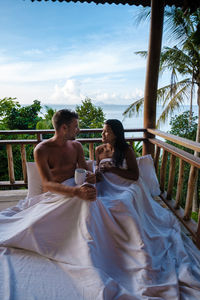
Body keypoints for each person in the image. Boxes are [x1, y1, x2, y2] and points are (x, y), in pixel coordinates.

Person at [34, 109, 96, 201]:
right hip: (55, 195)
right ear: (64, 128)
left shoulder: (76, 146)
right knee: (84, 202)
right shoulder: (42, 150)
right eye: (75, 127)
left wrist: (91, 176)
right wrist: (76, 192)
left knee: (89, 200)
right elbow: (47, 183)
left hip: (76, 189)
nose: (78, 130)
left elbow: (85, 171)